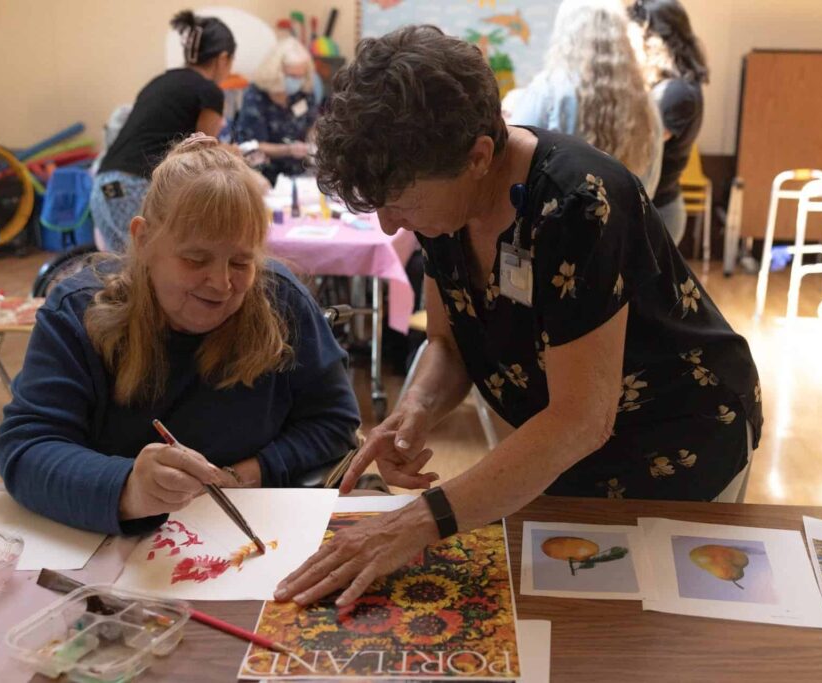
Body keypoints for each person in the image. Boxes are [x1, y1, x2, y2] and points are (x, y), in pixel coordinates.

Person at [274, 26, 762, 608]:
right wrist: (416, 409)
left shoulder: (577, 203)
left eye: (399, 203)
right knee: (569, 617)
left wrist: (413, 523)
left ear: (479, 157)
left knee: (649, 638)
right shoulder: (444, 206)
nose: (388, 226)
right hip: (565, 451)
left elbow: (582, 419)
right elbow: (449, 345)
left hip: (677, 440)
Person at [0, 135, 360, 535]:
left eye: (241, 261)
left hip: (251, 532)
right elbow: (26, 446)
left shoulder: (279, 298)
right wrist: (128, 487)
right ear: (143, 239)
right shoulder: (78, 313)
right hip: (113, 547)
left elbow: (334, 421)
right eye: (195, 259)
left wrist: (238, 476)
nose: (221, 284)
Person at [89, 11, 236, 252]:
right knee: (149, 270)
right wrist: (232, 156)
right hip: (136, 187)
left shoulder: (158, 83)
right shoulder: (210, 91)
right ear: (223, 59)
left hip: (103, 185)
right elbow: (205, 153)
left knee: (121, 272)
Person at [511, 0, 663, 196]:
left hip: (555, 222)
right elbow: (648, 183)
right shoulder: (645, 103)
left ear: (566, 34)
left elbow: (513, 163)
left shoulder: (548, 92)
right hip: (624, 222)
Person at [628, 0, 709, 245]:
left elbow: (640, 147)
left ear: (654, 38)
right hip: (653, 208)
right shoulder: (670, 87)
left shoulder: (677, 92)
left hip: (659, 211)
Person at [231, 36, 319, 186]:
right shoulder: (256, 95)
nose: (297, 81)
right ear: (277, 72)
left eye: (301, 76)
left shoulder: (304, 92)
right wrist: (289, 150)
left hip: (300, 174)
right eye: (292, 76)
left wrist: (314, 143)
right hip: (263, 175)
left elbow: (311, 125)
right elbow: (251, 144)